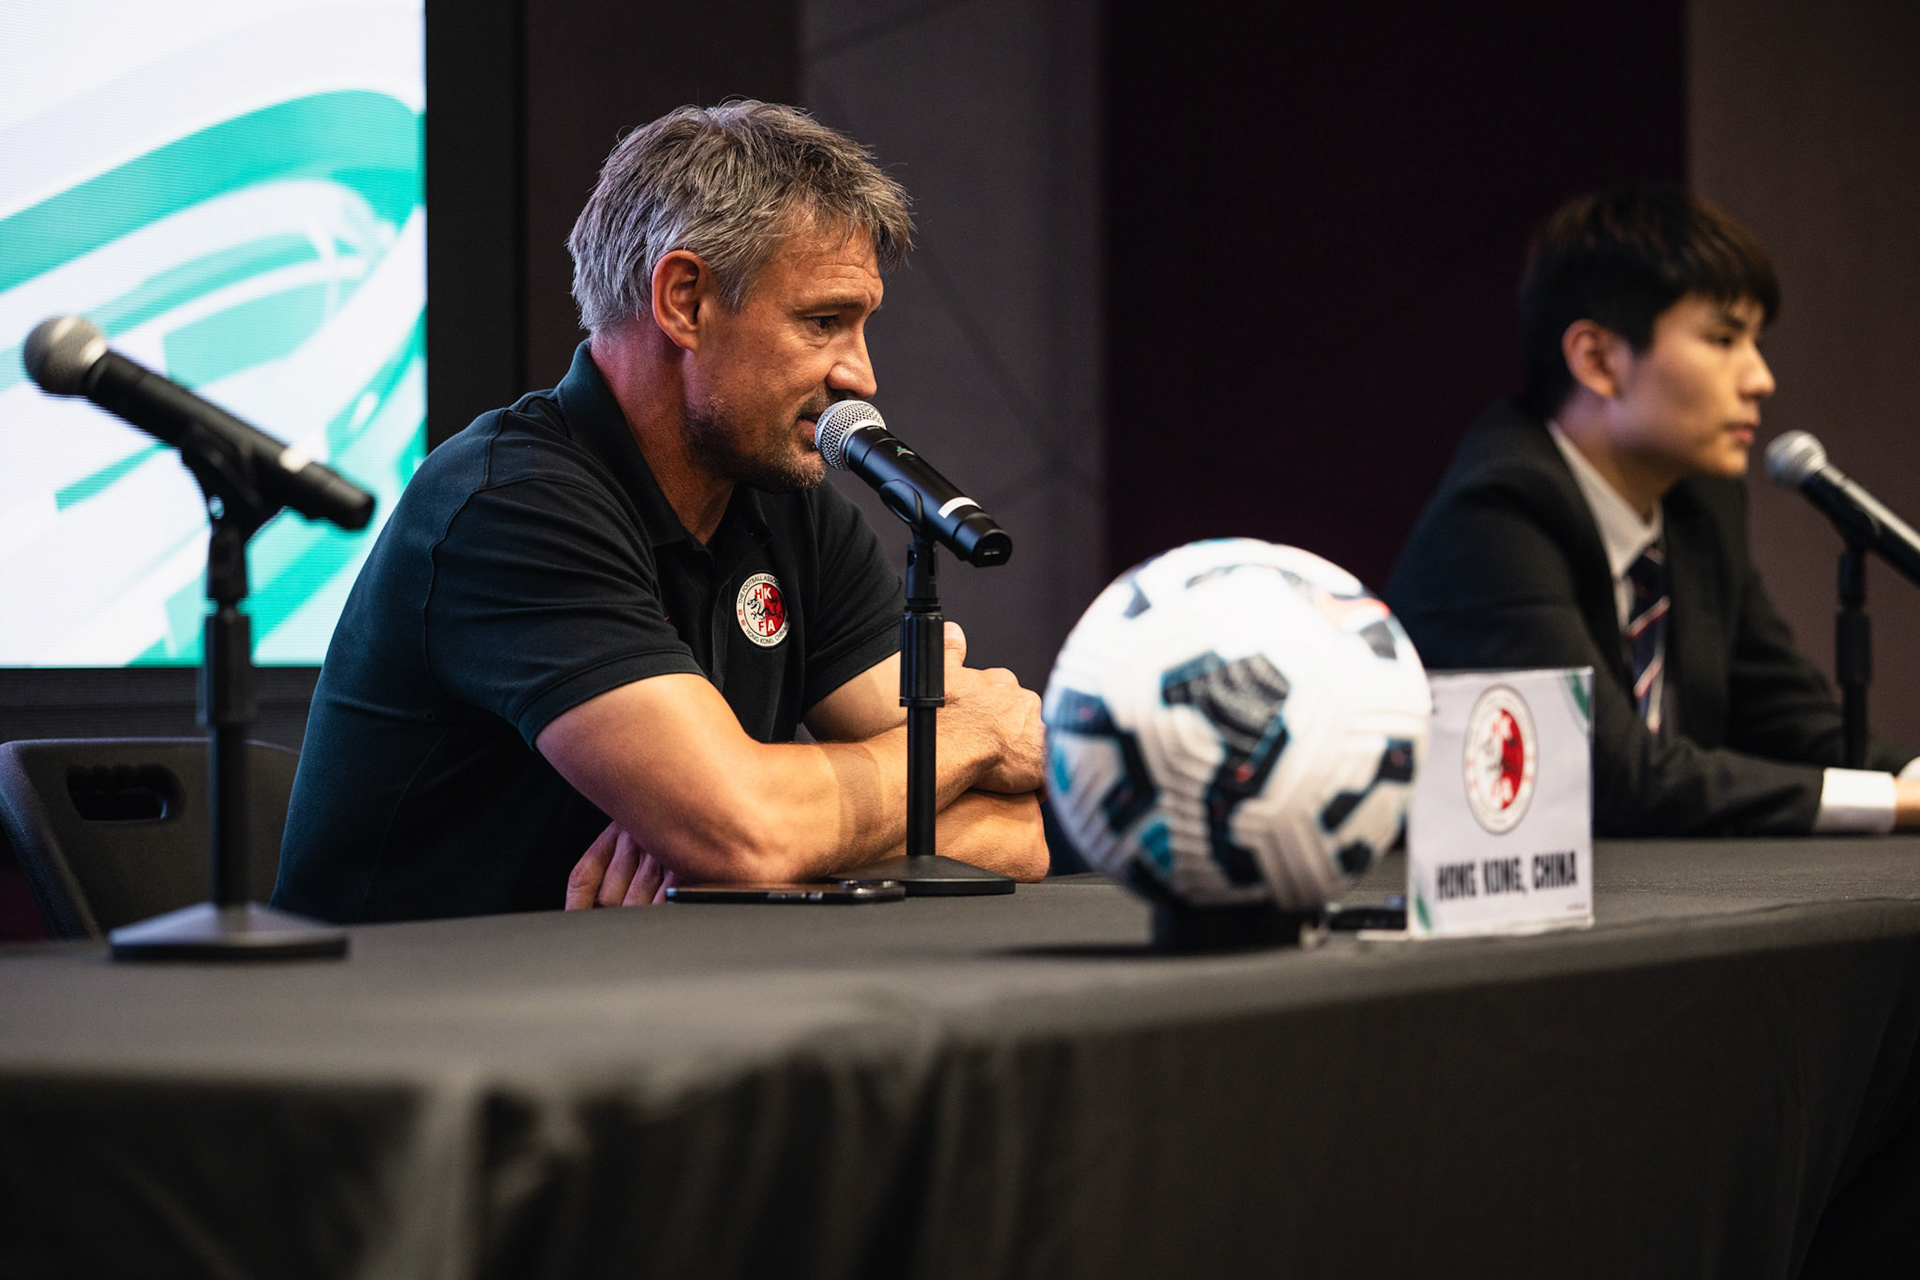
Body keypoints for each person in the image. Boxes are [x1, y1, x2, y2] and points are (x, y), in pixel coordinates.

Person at [273, 102, 1048, 922]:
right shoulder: (511, 503)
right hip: (393, 1023)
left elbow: (1014, 836)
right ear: (685, 301)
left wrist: (766, 849)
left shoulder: (789, 501)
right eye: (823, 323)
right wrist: (971, 739)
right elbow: (751, 833)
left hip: (612, 1004)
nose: (861, 375)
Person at [1385, 186, 1920, 836]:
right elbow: (1601, 772)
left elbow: (1786, 717)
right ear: (1598, 360)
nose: (1760, 378)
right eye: (1724, 339)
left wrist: (1910, 771)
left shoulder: (1700, 503)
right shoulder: (1496, 511)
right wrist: (1889, 804)